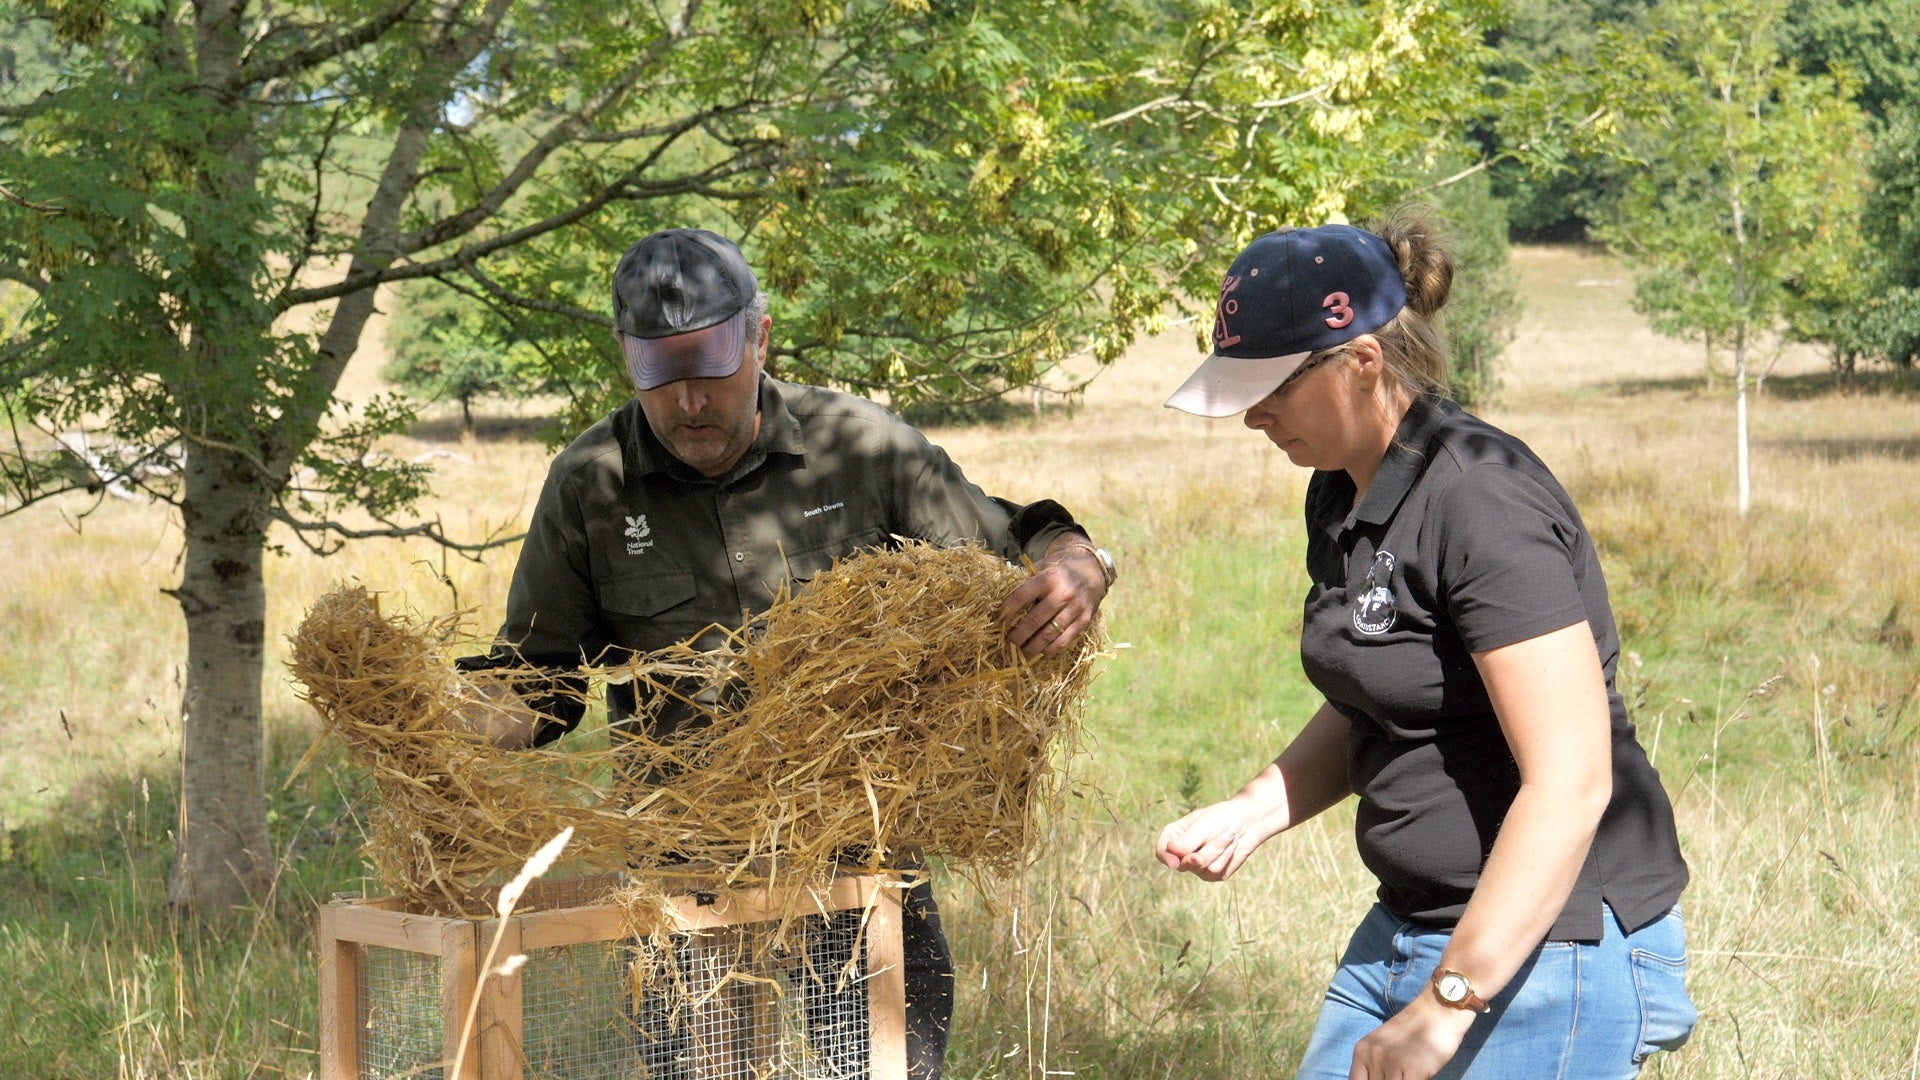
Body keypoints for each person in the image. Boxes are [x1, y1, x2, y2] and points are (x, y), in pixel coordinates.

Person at [458, 226, 1116, 1079]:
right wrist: (442, 731)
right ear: (627, 360)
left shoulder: (860, 446)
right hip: (684, 878)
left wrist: (1079, 564)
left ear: (759, 337)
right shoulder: (592, 483)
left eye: (710, 366)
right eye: (663, 374)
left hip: (861, 868)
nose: (691, 401)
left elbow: (1008, 544)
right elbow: (539, 680)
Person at [1153, 218, 1695, 1080]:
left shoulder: (1481, 499)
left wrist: (1449, 1004)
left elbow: (1574, 780)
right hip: (1411, 927)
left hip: (1552, 949)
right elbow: (1383, 685)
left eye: (1272, 388)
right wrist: (1260, 807)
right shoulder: (1340, 494)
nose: (1252, 415)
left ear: (1361, 362)